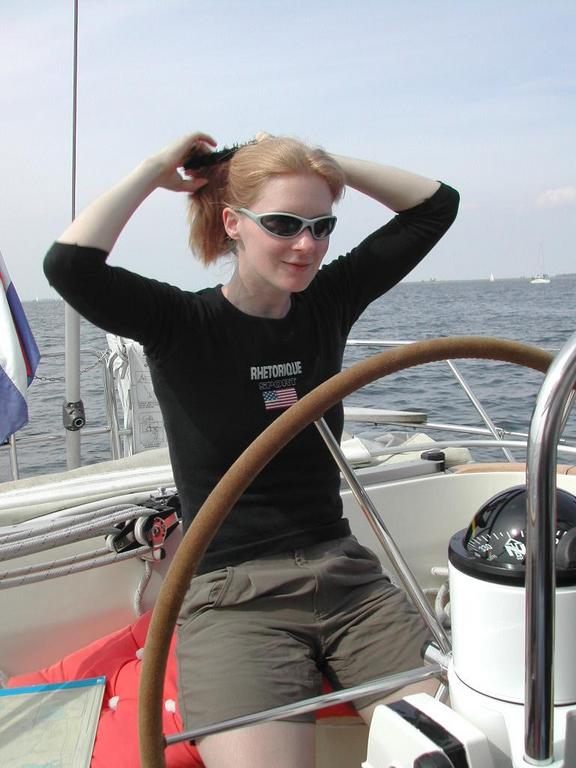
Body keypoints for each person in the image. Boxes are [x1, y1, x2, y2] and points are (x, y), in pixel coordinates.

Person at [44, 131, 459, 768]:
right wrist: (155, 169)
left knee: (455, 749)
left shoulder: (327, 305)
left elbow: (437, 205)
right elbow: (69, 266)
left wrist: (320, 164)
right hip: (231, 597)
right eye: (284, 223)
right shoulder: (179, 324)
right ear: (233, 223)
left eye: (322, 225)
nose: (308, 245)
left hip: (348, 581)